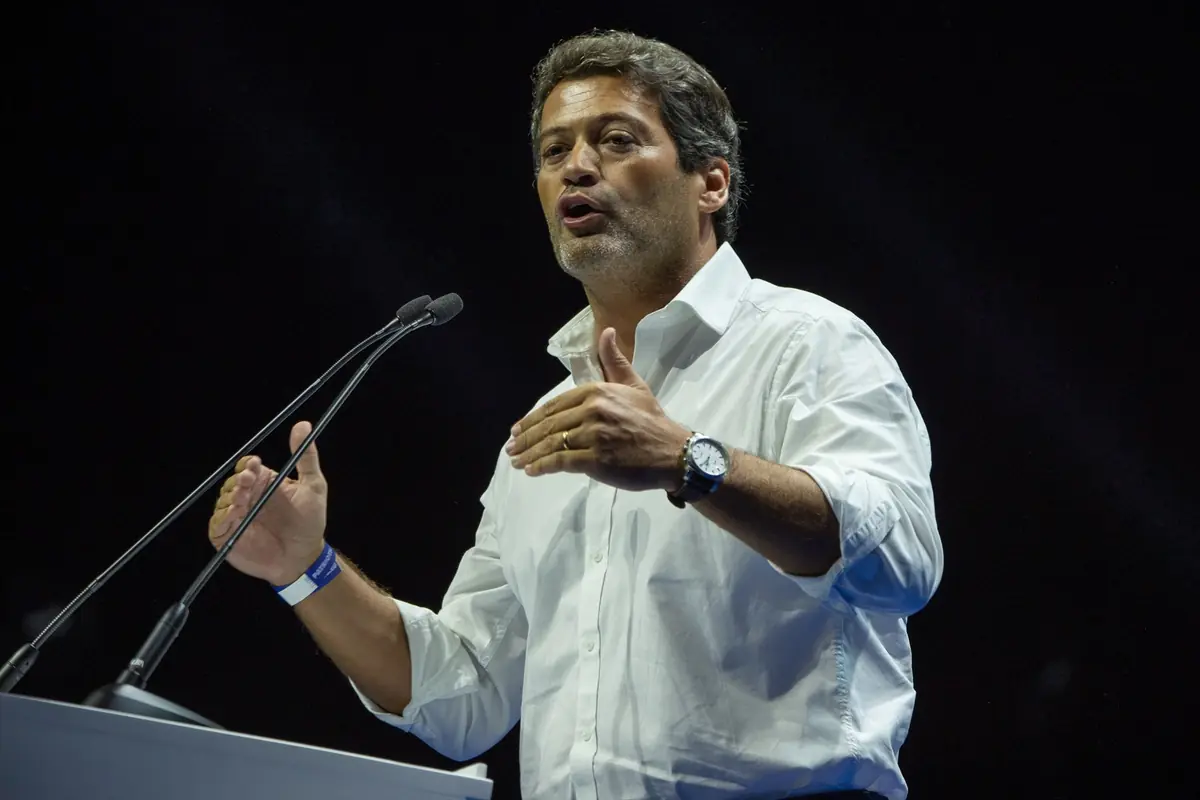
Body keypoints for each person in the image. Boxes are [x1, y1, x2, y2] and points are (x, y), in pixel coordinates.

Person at [208, 30, 942, 800]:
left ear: (711, 183)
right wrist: (307, 570)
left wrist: (687, 462)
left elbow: (901, 561)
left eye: (616, 140)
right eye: (554, 151)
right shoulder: (552, 424)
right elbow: (465, 695)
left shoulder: (808, 343)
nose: (577, 167)